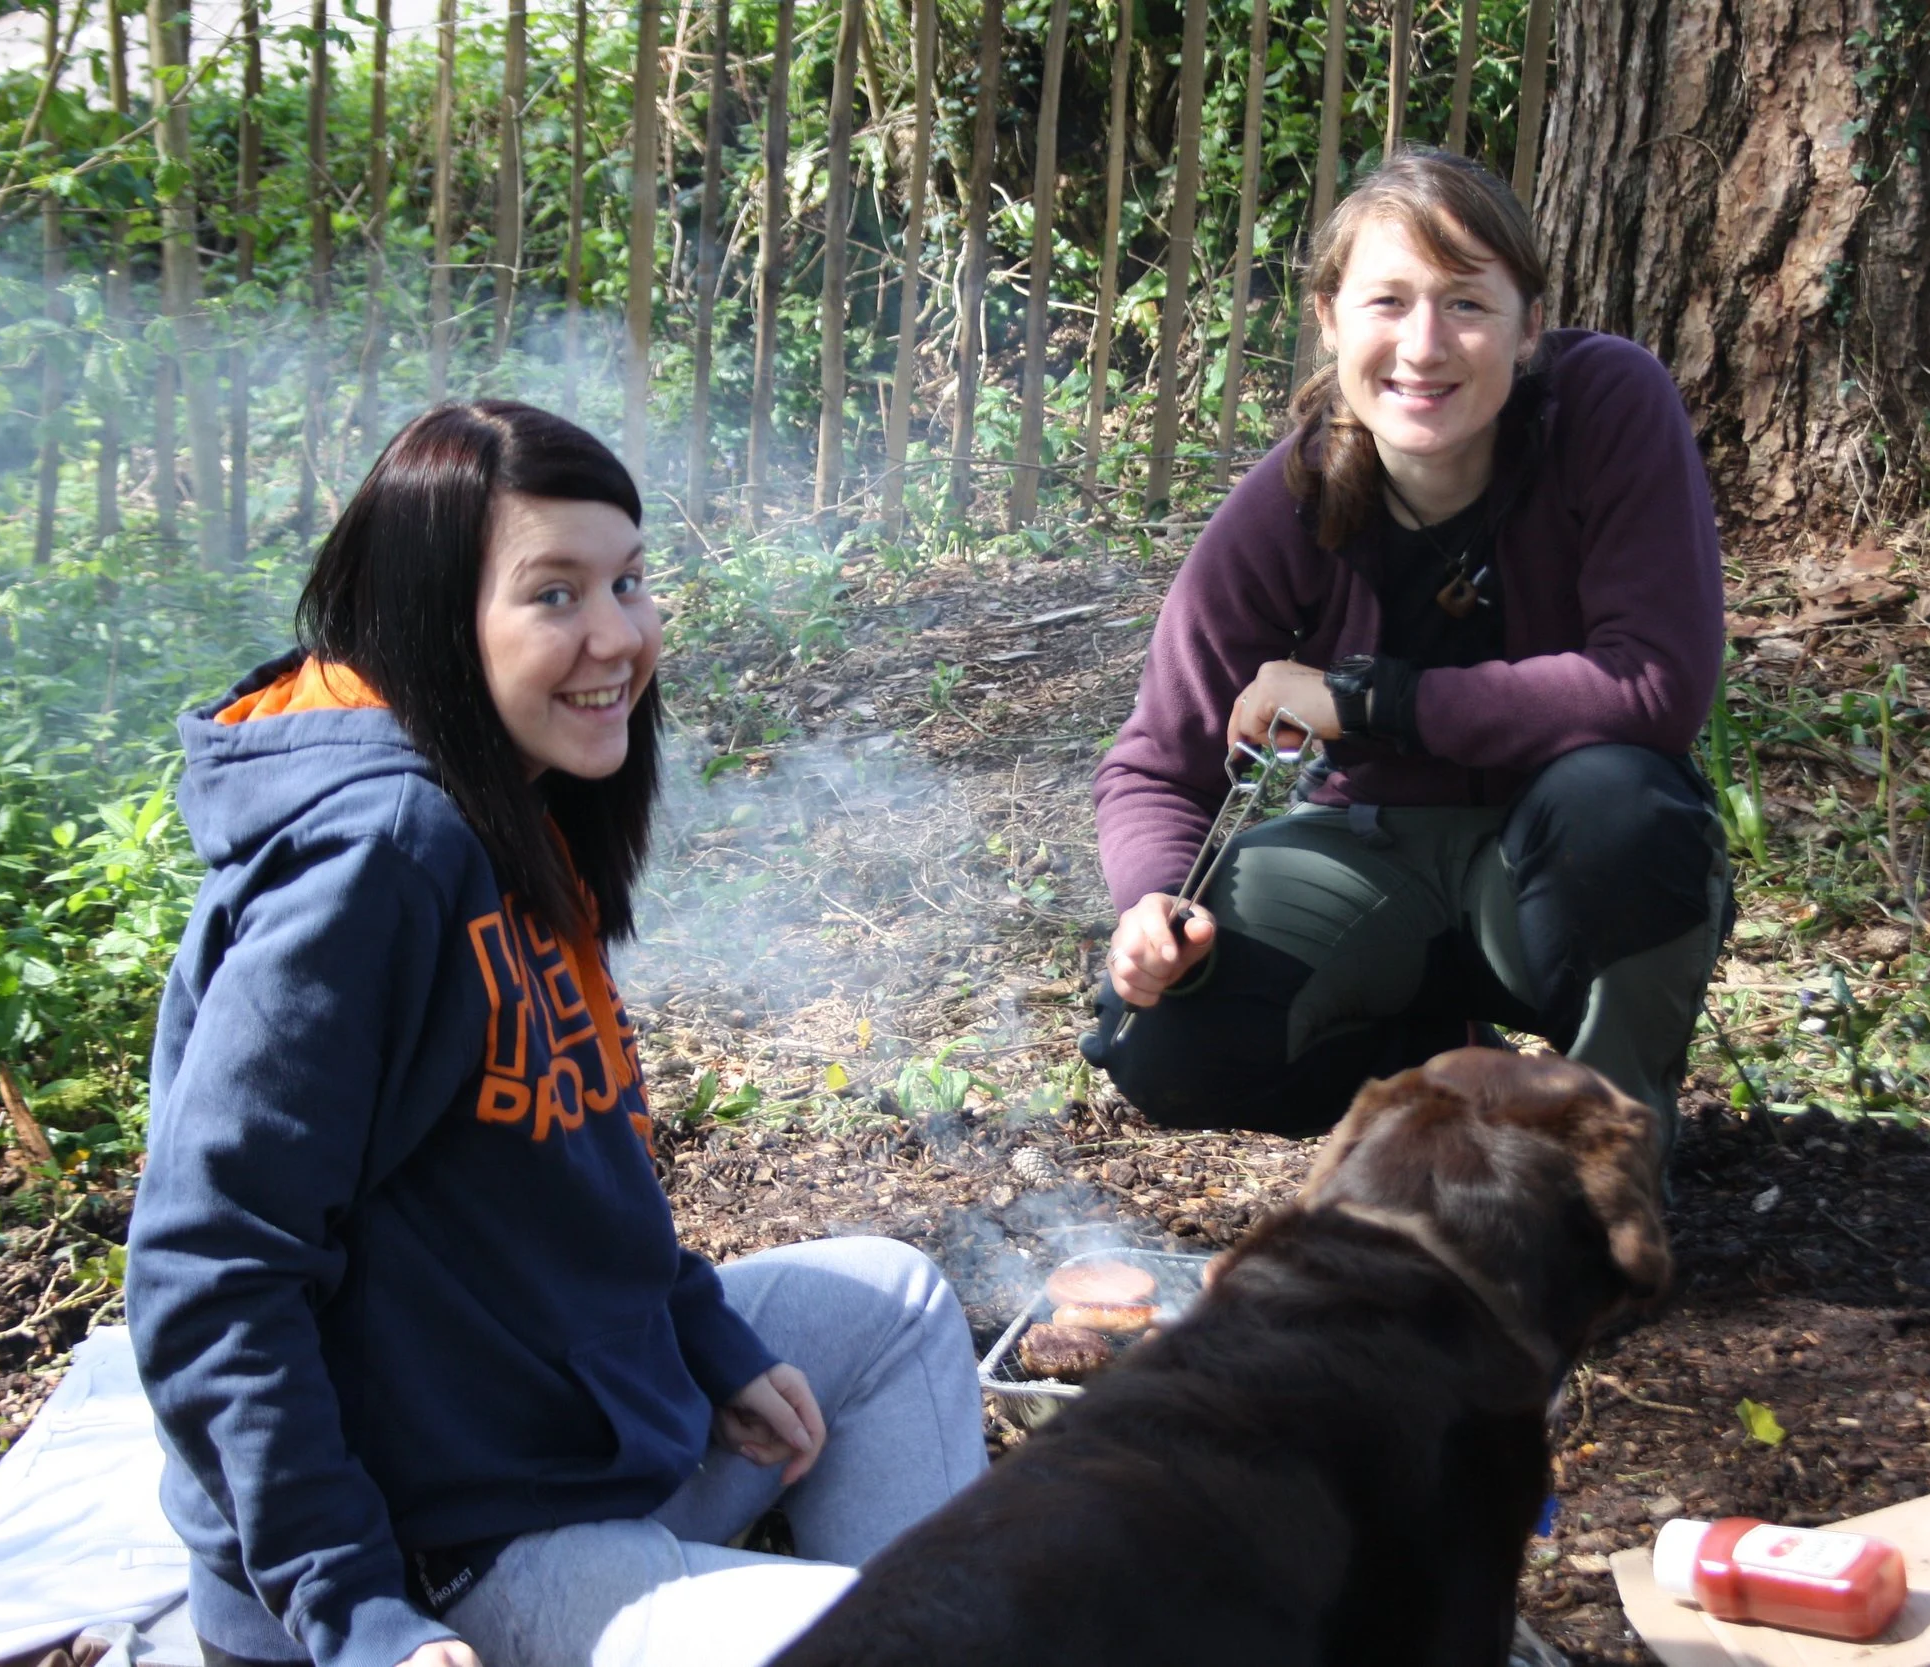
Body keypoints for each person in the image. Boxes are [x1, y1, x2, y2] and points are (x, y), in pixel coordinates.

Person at [125, 401, 986, 1667]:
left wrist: (697, 1327)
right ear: (435, 618)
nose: (618, 636)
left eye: (628, 580)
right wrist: (358, 1614)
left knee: (890, 1301)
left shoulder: (510, 799)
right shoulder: (378, 859)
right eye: (554, 594)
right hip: (431, 1554)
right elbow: (210, 1268)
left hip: (535, 1437)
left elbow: (554, 1168)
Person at [1081, 146, 1732, 1152]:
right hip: (1374, 858)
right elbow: (1156, 766)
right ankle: (1452, 1082)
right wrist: (1157, 902)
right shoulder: (1290, 504)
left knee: (1623, 808)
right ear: (1330, 319)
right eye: (1387, 301)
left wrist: (1368, 698)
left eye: (1466, 303)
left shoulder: (1607, 405)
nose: (1423, 346)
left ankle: (1604, 1152)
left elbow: (1654, 684)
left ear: (1528, 326)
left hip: (1559, 860)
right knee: (1163, 1038)